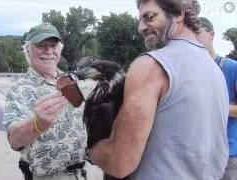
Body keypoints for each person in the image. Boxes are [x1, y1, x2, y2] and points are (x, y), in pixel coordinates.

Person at [86, 0, 229, 179]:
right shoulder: (215, 69)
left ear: (179, 14)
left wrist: (91, 149)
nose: (141, 27)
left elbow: (120, 163)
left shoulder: (151, 65)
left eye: (149, 17)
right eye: (140, 19)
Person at [3, 22, 88, 180]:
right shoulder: (19, 88)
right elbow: (14, 140)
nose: (48, 51)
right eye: (41, 45)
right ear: (28, 49)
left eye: (53, 46)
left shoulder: (70, 80)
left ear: (59, 49)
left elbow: (83, 126)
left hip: (80, 174)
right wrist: (37, 124)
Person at [196, 17, 237, 180]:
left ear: (211, 35)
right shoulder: (188, 70)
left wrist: (210, 105)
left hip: (228, 157)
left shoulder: (232, 67)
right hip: (194, 156)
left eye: (196, 33)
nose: (193, 39)